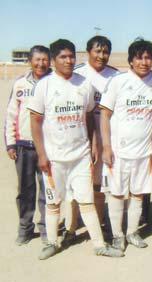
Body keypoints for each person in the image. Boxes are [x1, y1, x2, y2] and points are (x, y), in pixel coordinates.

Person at [29, 39, 123, 259]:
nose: (68, 60)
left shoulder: (84, 84)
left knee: (86, 200)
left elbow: (89, 115)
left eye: (71, 56)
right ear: (54, 60)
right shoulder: (45, 85)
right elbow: (35, 121)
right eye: (63, 57)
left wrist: (93, 142)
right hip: (54, 157)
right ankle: (53, 242)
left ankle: (99, 245)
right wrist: (42, 154)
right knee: (54, 202)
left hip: (80, 155)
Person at [100, 39, 152, 252]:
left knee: (138, 194)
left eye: (148, 57)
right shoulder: (118, 81)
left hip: (144, 151)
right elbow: (104, 115)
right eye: (139, 57)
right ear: (131, 60)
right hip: (119, 151)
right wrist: (106, 147)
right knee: (117, 193)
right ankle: (118, 235)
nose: (144, 62)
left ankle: (132, 232)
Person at [67, 35, 119, 240]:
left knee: (98, 183)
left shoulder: (115, 76)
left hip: (106, 138)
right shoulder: (77, 73)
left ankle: (97, 223)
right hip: (79, 137)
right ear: (88, 51)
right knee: (75, 183)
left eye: (105, 52)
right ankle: (71, 225)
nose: (101, 56)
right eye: (97, 51)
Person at [5, 45, 51, 245]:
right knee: (26, 190)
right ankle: (25, 228)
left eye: (44, 60)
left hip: (47, 146)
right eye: (37, 59)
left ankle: (46, 228)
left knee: (48, 190)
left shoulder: (53, 82)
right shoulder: (20, 84)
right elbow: (11, 116)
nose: (41, 63)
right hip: (24, 146)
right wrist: (11, 144)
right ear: (29, 61)